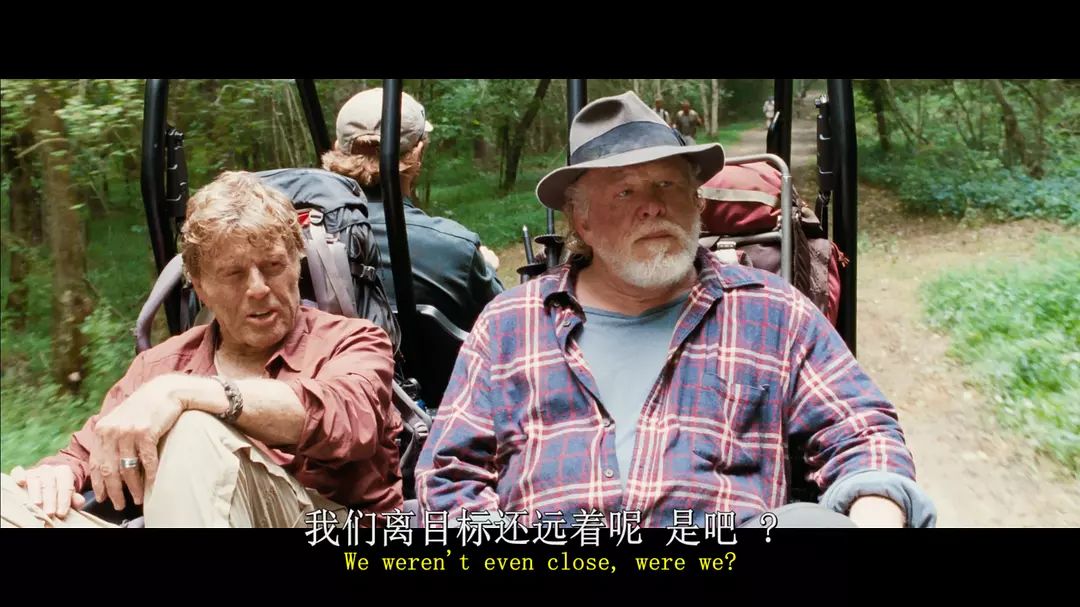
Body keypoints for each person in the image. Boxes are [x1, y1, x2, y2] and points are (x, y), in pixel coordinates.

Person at [415, 91, 936, 529]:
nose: (653, 206)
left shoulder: (772, 312)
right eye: (625, 191)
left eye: (667, 185)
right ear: (582, 221)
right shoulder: (510, 324)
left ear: (698, 203)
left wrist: (875, 510)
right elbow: (448, 474)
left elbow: (863, 430)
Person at [2, 171, 402, 528]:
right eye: (233, 274)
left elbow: (345, 421)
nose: (258, 288)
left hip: (328, 529)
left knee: (193, 428)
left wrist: (187, 394)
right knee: (12, 499)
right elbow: (86, 449)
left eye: (273, 266)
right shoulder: (160, 365)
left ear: (298, 263)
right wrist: (55, 475)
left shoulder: (353, 341)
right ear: (199, 285)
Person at [322, 88, 503, 333]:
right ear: (417, 153)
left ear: (337, 148)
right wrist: (487, 269)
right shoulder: (455, 248)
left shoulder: (305, 240)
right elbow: (505, 322)